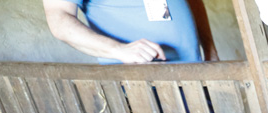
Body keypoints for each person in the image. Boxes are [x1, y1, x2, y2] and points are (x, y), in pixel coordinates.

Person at [43, 0, 217, 63]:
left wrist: (210, 51)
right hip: (140, 84)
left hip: (194, 72)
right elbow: (58, 18)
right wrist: (118, 49)